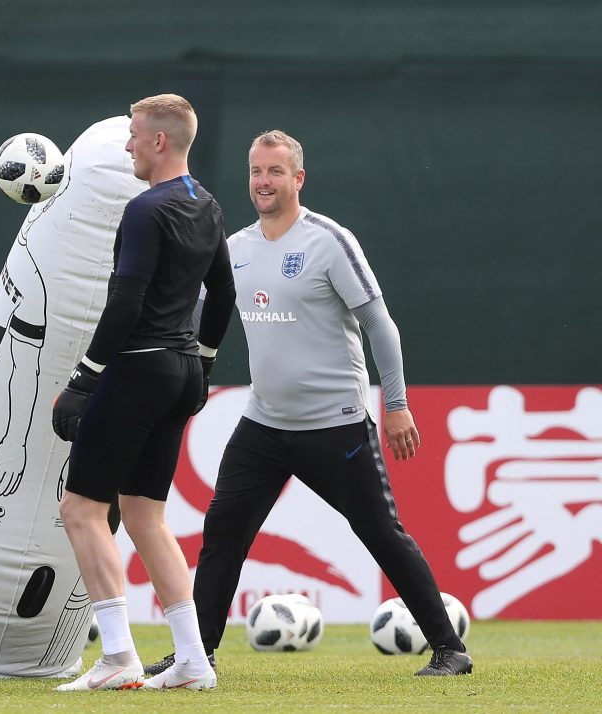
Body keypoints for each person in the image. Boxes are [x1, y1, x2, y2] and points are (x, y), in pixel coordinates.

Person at [144, 130, 473, 678]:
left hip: (336, 426)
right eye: (256, 172)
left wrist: (395, 404)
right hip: (263, 425)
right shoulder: (236, 249)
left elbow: (379, 326)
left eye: (275, 172)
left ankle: (449, 649)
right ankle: (194, 655)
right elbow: (196, 311)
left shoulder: (329, 240)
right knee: (223, 534)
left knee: (381, 534)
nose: (263, 182)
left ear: (298, 179)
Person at [51, 94, 236, 691]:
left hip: (137, 368)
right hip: (181, 370)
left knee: (80, 509)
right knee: (144, 515)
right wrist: (203, 364)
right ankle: (192, 660)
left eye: (134, 135)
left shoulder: (145, 209)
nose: (128, 145)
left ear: (160, 142)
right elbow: (224, 297)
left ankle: (118, 656)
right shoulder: (206, 205)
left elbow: (126, 303)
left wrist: (83, 378)